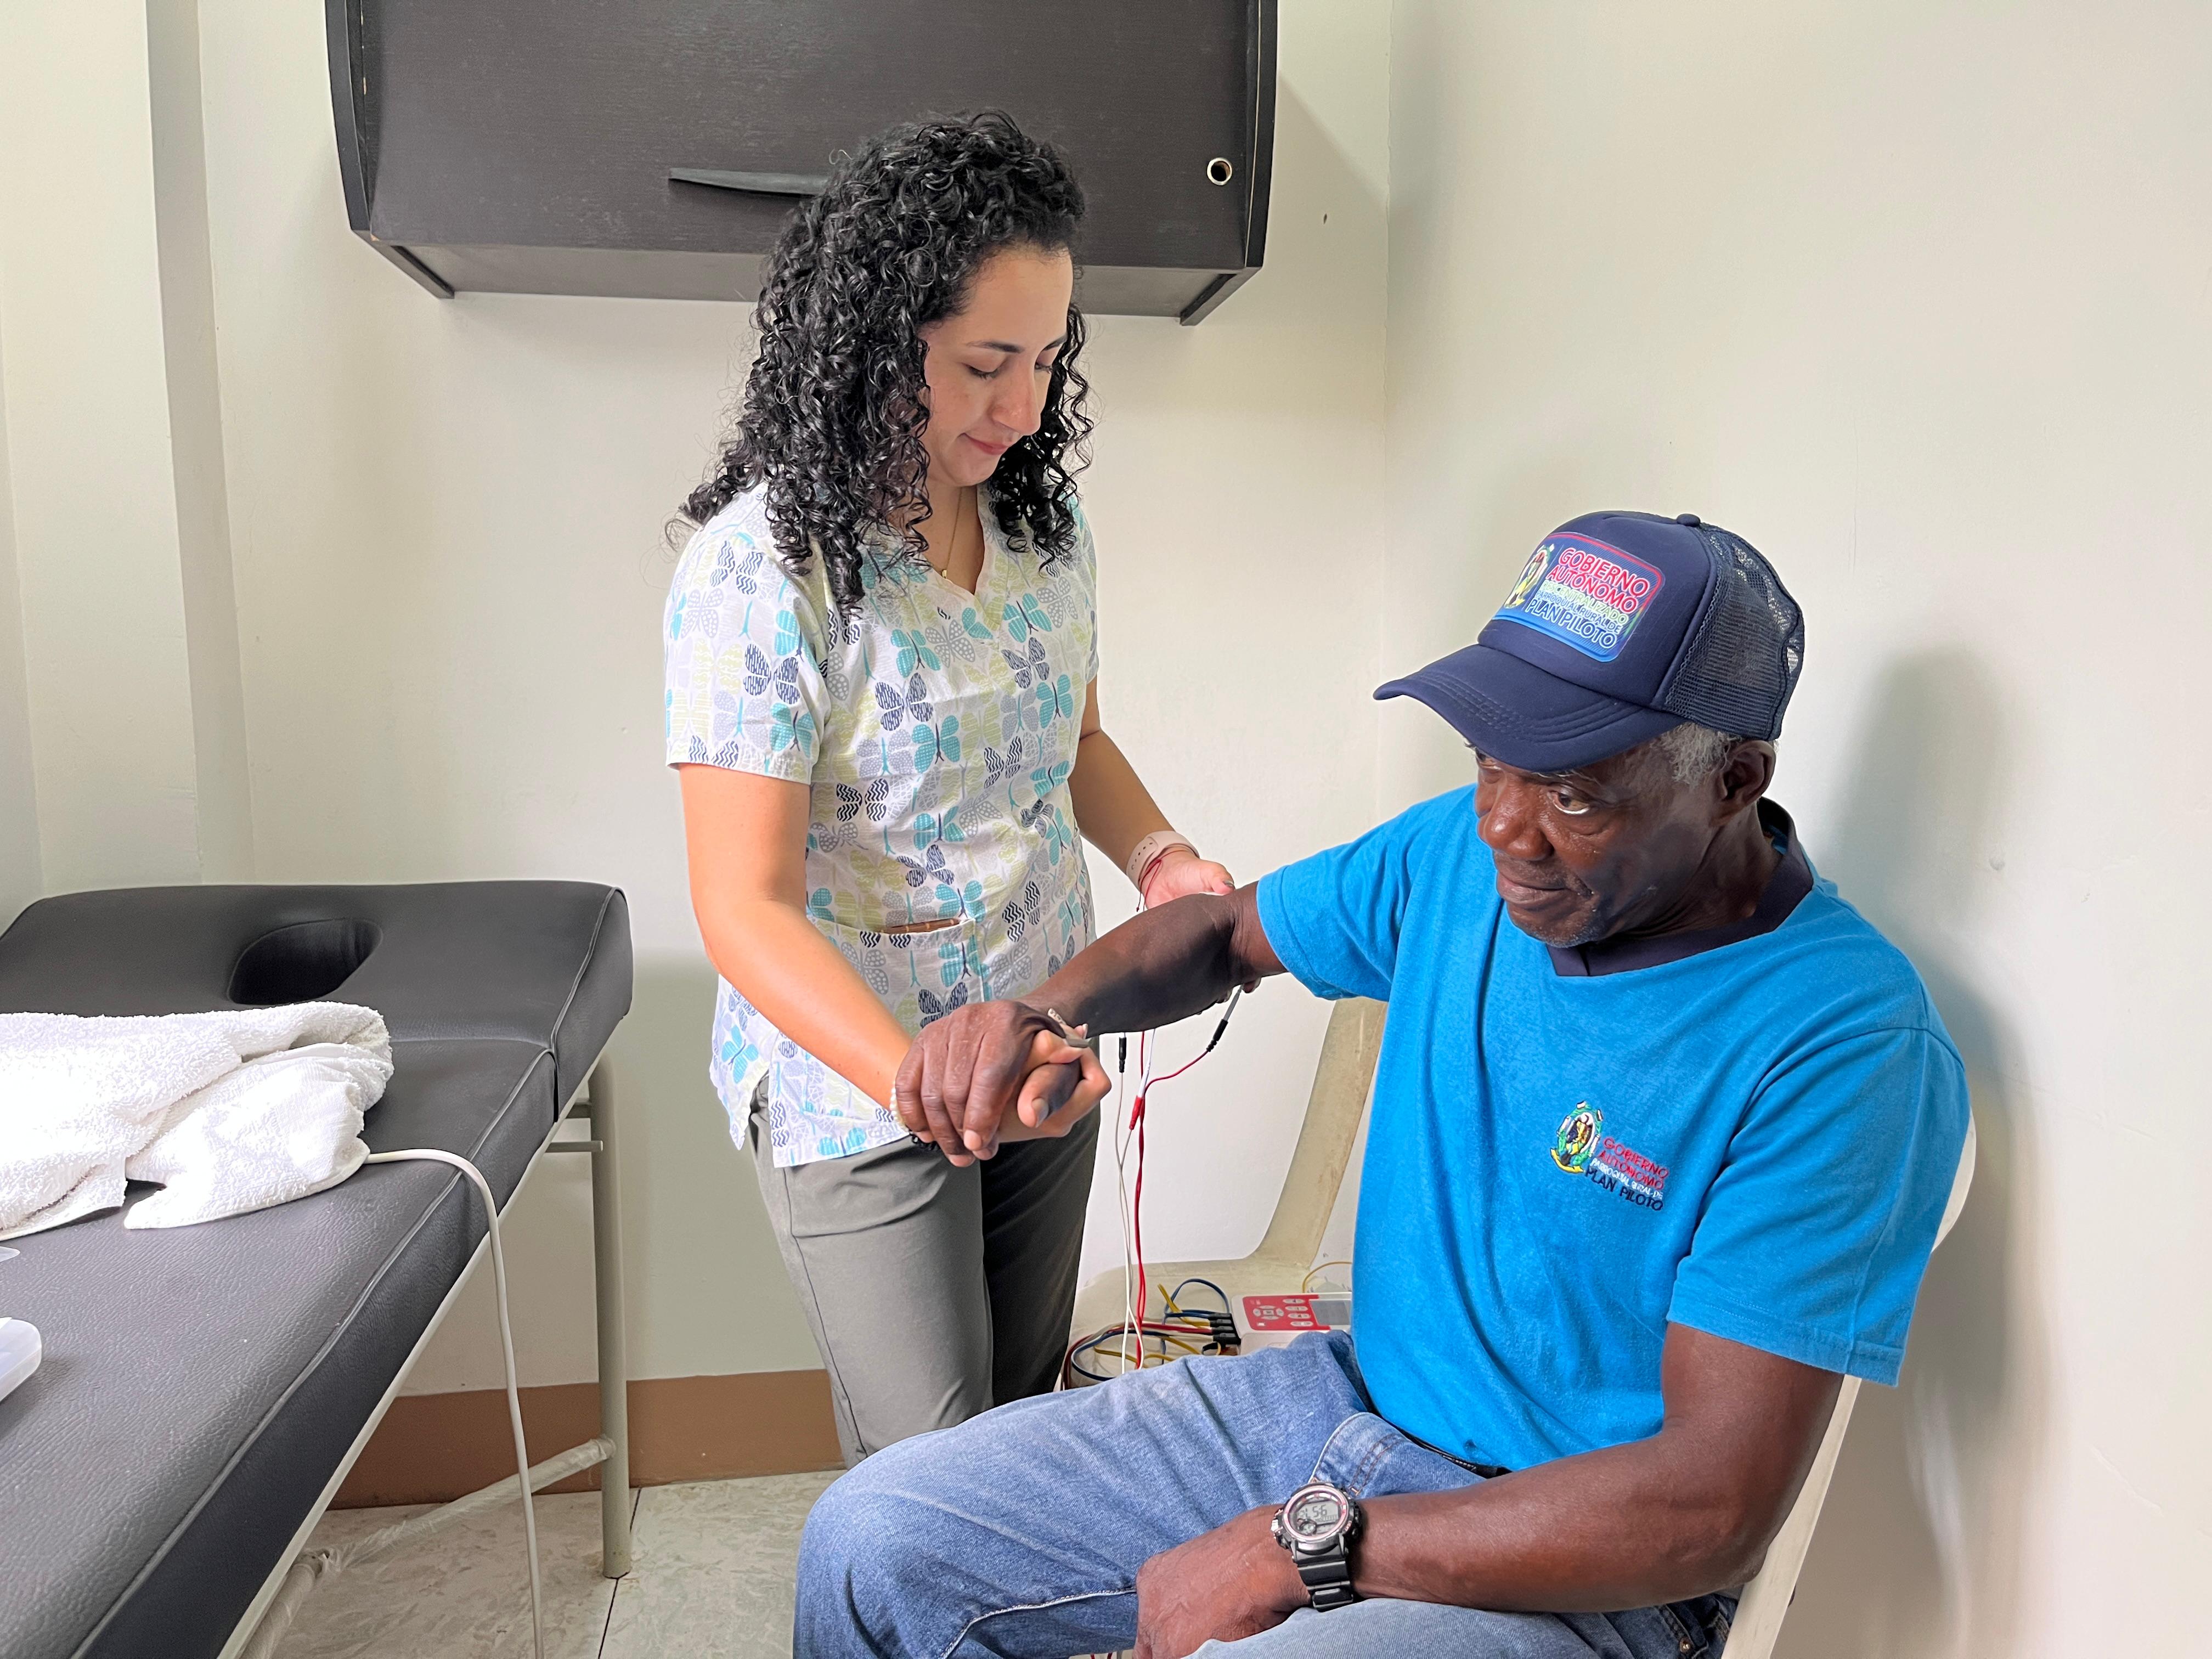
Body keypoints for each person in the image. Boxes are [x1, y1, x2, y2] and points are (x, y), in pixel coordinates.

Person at [798, 511, 1973, 1658]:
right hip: (1357, 1406)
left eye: (1573, 795)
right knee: (873, 1541)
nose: (1504, 826)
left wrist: (1304, 1547)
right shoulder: (1453, 856)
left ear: (1733, 781)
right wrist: (1045, 1013)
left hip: (1588, 1567)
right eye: (1490, 764)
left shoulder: (1844, 1044)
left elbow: (1706, 1511)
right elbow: (1223, 933)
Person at [663, 113, 1228, 1466]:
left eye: (1047, 360)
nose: (1023, 409)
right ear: (877, 341)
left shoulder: (1044, 530)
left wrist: (1161, 860)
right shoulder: (763, 572)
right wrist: (928, 1082)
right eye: (985, 365)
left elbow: (1075, 745)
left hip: (1043, 1036)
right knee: (933, 1473)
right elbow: (743, 908)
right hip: (858, 1085)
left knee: (1026, 1440)